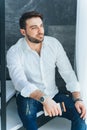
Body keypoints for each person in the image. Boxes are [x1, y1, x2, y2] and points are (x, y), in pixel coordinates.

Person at [6, 11, 86, 130]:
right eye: (34, 28)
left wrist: (77, 99)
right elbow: (20, 82)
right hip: (29, 98)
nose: (40, 31)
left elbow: (68, 73)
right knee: (30, 124)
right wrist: (44, 99)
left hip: (53, 94)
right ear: (23, 32)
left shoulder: (53, 44)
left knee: (80, 115)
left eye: (41, 26)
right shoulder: (14, 52)